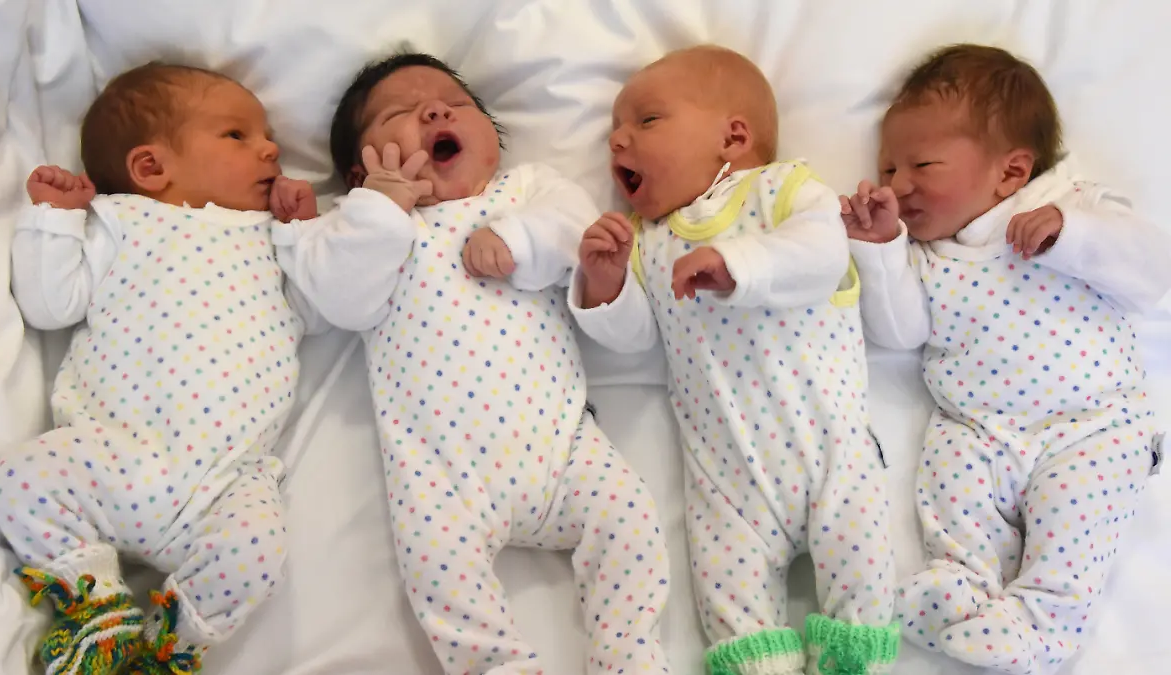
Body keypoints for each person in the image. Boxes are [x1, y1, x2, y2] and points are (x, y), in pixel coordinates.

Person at [277, 51, 671, 674]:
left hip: (562, 448)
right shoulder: (359, 228)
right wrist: (379, 208)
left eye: (455, 104)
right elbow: (340, 301)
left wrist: (517, 239)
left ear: (492, 141)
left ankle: (629, 654)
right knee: (437, 574)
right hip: (443, 475)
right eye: (401, 114)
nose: (434, 110)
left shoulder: (525, 191)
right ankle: (499, 665)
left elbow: (569, 225)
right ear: (359, 171)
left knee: (631, 524)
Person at [841, 44, 1171, 674]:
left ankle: (1046, 628)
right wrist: (880, 252)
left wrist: (1073, 236)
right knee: (951, 473)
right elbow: (900, 333)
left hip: (1091, 425)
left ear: (1011, 173)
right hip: (980, 430)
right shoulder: (923, 254)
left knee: (1075, 528)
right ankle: (962, 584)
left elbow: (1152, 273)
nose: (897, 185)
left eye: (922, 164)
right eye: (887, 168)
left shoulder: (1069, 204)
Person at [571, 45, 900, 675]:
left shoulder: (781, 190)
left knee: (862, 571)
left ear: (734, 136)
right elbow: (638, 339)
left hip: (831, 451)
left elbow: (822, 254)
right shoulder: (647, 240)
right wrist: (605, 284)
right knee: (729, 599)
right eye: (614, 130)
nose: (617, 141)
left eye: (645, 121)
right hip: (727, 481)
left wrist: (737, 264)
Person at [0, 62, 325, 675]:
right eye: (238, 136)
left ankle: (169, 648)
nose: (271, 147)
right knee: (23, 477)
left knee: (256, 554)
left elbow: (317, 313)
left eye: (266, 135)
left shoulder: (269, 237)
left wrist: (305, 236)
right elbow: (47, 305)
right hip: (116, 447)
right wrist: (55, 219)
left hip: (223, 480)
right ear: (151, 167)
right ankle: (95, 611)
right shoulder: (121, 224)